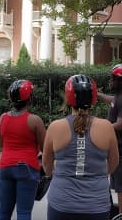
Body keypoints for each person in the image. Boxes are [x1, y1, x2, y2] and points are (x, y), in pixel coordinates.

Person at [42, 74, 119, 220]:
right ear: (93, 99)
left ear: (68, 98)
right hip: (96, 206)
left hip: (61, 205)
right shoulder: (106, 127)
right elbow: (114, 163)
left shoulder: (55, 127)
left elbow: (47, 166)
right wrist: (97, 174)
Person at [0, 79, 46, 220]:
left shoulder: (2, 118)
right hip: (27, 167)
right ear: (30, 98)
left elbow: (2, 144)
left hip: (5, 166)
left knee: (4, 211)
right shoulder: (35, 120)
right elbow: (44, 148)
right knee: (24, 212)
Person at [98, 63, 122, 213]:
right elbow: (112, 100)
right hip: (117, 148)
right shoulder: (119, 96)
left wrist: (101, 128)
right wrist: (99, 95)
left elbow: (120, 124)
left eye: (113, 78)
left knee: (121, 188)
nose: (111, 81)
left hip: (121, 150)